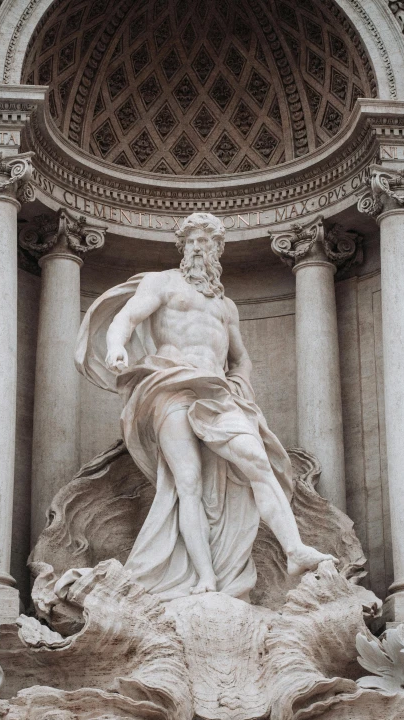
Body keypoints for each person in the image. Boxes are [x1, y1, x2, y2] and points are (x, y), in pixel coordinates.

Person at [76, 213, 336, 600]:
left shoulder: (226, 306)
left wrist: (240, 387)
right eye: (192, 241)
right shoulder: (162, 282)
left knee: (258, 462)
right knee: (188, 483)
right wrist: (116, 347)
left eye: (206, 242)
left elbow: (241, 358)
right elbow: (125, 319)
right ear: (183, 248)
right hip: (170, 384)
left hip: (217, 392)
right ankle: (205, 578)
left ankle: (294, 549)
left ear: (218, 249)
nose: (199, 247)